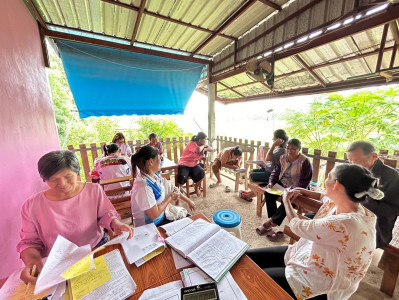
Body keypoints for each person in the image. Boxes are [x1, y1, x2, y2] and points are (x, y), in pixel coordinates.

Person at [247, 164, 383, 299]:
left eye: (329, 176)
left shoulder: (347, 223)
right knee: (249, 258)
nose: (325, 179)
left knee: (258, 278)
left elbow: (297, 226)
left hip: (323, 283)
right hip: (310, 255)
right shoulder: (347, 203)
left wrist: (286, 200)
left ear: (337, 186)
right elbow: (322, 196)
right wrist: (302, 190)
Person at [17, 150, 133, 284]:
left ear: (77, 173)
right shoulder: (31, 206)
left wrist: (116, 224)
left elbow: (106, 215)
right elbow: (29, 242)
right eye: (54, 179)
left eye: (68, 176)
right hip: (59, 263)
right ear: (45, 179)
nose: (62, 184)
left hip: (95, 250)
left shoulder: (93, 190)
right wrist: (32, 262)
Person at [346, 140, 399, 248]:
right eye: (350, 161)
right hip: (351, 221)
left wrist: (360, 200)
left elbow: (394, 210)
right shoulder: (353, 172)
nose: (352, 165)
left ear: (374, 156)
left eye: (357, 161)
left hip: (376, 229)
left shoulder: (391, 176)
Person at [256, 138, 312, 236]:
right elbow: (275, 172)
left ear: (299, 149)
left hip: (297, 186)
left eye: (293, 149)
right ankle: (272, 220)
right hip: (283, 183)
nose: (290, 151)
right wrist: (271, 182)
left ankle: (271, 222)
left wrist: (293, 190)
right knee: (268, 193)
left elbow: (305, 181)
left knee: (287, 199)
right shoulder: (282, 158)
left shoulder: (305, 161)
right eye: (288, 148)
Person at [131, 145, 196, 227]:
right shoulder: (143, 186)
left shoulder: (155, 176)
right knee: (187, 226)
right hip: (151, 226)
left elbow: (172, 189)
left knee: (189, 220)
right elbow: (153, 215)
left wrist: (188, 201)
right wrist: (170, 198)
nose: (161, 161)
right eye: (160, 158)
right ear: (151, 162)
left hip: (162, 217)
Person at [240, 129, 288, 201]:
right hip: (268, 168)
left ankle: (252, 195)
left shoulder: (282, 151)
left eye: (274, 138)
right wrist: (264, 164)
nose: (272, 139)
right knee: (251, 171)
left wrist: (273, 144)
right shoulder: (278, 148)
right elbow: (271, 160)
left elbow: (268, 158)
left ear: (279, 139)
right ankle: (253, 192)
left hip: (272, 173)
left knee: (251, 176)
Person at [178, 132, 214, 197]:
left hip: (194, 164)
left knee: (201, 172)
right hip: (184, 163)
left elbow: (212, 149)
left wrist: (205, 148)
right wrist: (203, 146)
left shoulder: (202, 145)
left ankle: (196, 187)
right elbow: (197, 150)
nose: (206, 141)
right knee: (183, 175)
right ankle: (180, 187)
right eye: (205, 139)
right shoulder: (192, 143)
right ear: (200, 140)